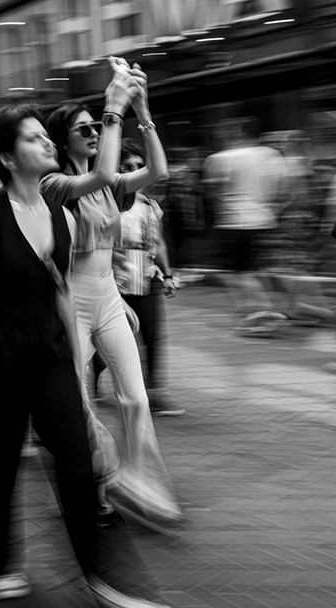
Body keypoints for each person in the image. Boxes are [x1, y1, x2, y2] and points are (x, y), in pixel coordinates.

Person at [0, 104, 173, 608]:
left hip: (50, 353)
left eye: (44, 136)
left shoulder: (59, 215)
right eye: (32, 139)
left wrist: (72, 362)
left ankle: (107, 579)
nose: (46, 142)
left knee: (79, 464)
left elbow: (61, 292)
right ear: (7, 158)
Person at [42, 58, 182, 524]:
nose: (93, 132)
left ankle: (140, 483)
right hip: (70, 302)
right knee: (77, 403)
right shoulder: (54, 184)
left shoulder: (111, 187)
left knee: (136, 398)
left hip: (106, 296)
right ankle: (93, 485)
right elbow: (100, 174)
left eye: (95, 127)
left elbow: (159, 170)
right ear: (62, 140)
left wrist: (142, 109)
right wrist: (112, 106)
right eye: (83, 129)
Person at [92, 139, 184, 417]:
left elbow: (159, 243)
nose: (135, 171)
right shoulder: (104, 204)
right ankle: (93, 376)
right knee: (113, 337)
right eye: (127, 167)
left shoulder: (151, 206)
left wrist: (167, 275)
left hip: (147, 278)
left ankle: (155, 393)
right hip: (114, 281)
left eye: (139, 166)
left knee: (153, 337)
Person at [202, 117, 287, 336]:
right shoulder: (272, 155)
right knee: (256, 271)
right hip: (266, 221)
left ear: (239, 133)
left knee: (239, 273)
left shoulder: (221, 158)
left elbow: (214, 191)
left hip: (235, 222)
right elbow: (283, 188)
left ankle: (264, 311)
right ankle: (253, 314)